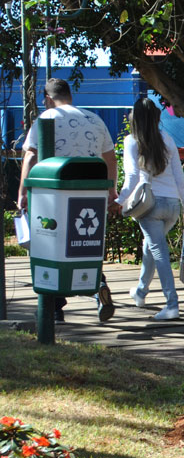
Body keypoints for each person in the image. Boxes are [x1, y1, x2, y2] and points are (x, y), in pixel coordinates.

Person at [17, 77, 117, 322]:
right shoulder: (94, 119)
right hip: (90, 195)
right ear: (70, 95)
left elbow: (30, 157)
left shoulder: (46, 119)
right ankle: (98, 284)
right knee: (83, 245)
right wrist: (111, 191)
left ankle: (54, 308)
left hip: (53, 196)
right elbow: (110, 159)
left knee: (49, 247)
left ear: (48, 99)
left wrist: (22, 192)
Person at [116, 97, 184, 321]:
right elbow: (180, 177)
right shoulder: (167, 139)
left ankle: (172, 304)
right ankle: (140, 292)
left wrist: (118, 201)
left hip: (149, 205)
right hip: (172, 207)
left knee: (159, 252)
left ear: (135, 118)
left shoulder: (132, 141)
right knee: (150, 247)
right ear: (157, 117)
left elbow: (131, 178)